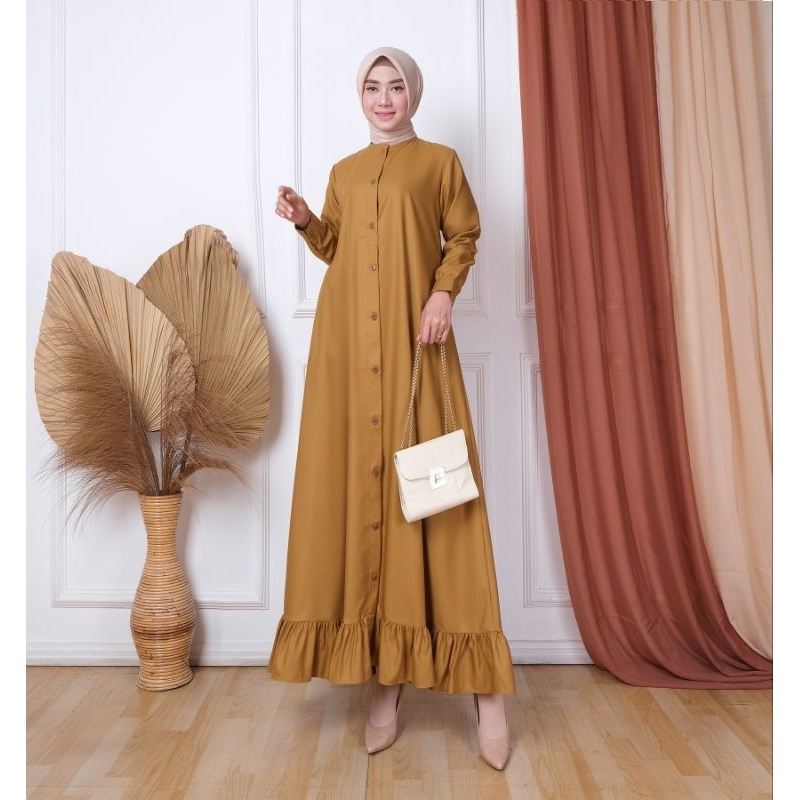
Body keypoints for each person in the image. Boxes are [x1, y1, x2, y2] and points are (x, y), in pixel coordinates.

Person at [269, 46, 515, 771]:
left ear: (414, 93)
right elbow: (339, 248)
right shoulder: (344, 171)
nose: (384, 98)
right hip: (349, 358)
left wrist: (441, 292)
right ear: (361, 96)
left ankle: (488, 694)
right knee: (368, 501)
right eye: (373, 87)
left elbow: (463, 235)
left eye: (396, 85)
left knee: (443, 504)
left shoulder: (438, 163)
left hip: (416, 353)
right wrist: (308, 221)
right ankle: (388, 678)